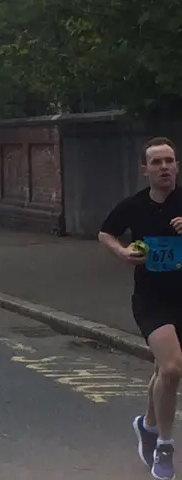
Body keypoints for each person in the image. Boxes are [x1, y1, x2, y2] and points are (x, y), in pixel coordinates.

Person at [99, 136, 182, 480]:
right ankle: (164, 446)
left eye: (170, 160)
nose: (165, 167)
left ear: (177, 165)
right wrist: (121, 253)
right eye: (157, 162)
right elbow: (105, 232)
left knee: (163, 370)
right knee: (173, 368)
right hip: (151, 299)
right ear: (145, 170)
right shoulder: (133, 206)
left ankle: (147, 426)